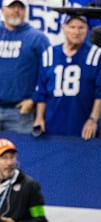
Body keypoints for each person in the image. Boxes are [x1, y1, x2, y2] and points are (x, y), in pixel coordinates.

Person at [32, 15, 101, 139]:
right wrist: (39, 118)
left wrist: (93, 119)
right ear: (63, 28)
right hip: (53, 123)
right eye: (72, 27)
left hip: (83, 124)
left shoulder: (96, 54)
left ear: (87, 30)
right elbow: (42, 91)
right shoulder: (49, 54)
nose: (76, 32)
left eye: (81, 28)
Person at [0, 0, 50, 134]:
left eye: (20, 7)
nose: (16, 10)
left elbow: (48, 74)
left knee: (21, 153)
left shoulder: (38, 38)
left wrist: (33, 99)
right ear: (2, 9)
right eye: (12, 7)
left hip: (20, 113)